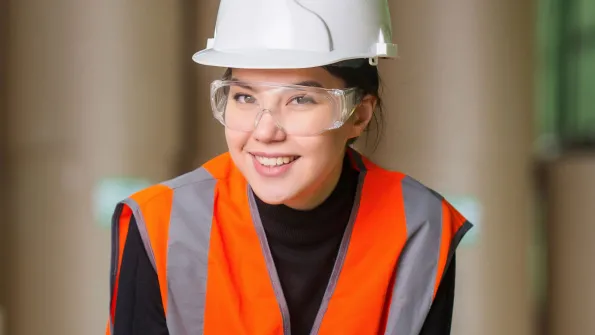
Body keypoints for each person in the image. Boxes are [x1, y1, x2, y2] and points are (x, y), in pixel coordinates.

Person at [106, 1, 472, 334]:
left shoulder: (419, 227)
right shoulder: (162, 224)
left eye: (300, 99)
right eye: (245, 97)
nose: (264, 132)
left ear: (358, 114)